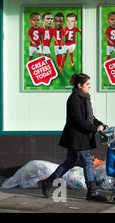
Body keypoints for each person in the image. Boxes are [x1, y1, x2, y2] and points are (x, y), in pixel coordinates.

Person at [41, 73, 108, 201]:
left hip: (81, 136)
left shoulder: (84, 98)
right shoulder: (74, 99)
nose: (89, 87)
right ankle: (92, 192)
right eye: (87, 84)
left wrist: (100, 124)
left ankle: (47, 182)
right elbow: (78, 120)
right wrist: (95, 129)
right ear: (79, 85)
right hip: (77, 137)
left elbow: (90, 117)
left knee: (69, 162)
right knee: (88, 161)